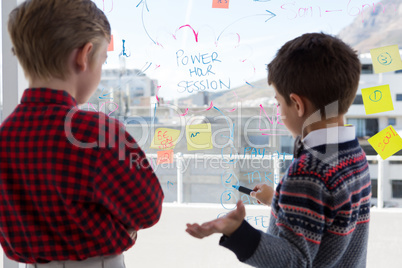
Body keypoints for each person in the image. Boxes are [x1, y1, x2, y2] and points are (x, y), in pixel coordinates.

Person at [0, 0, 164, 267]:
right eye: (103, 59)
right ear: (84, 56)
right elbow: (148, 209)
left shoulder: (5, 136)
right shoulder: (97, 132)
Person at [186, 33, 371, 268]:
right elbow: (331, 219)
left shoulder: (308, 172)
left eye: (278, 102)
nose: (278, 111)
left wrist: (238, 231)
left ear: (297, 104)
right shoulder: (354, 155)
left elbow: (294, 262)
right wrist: (278, 201)